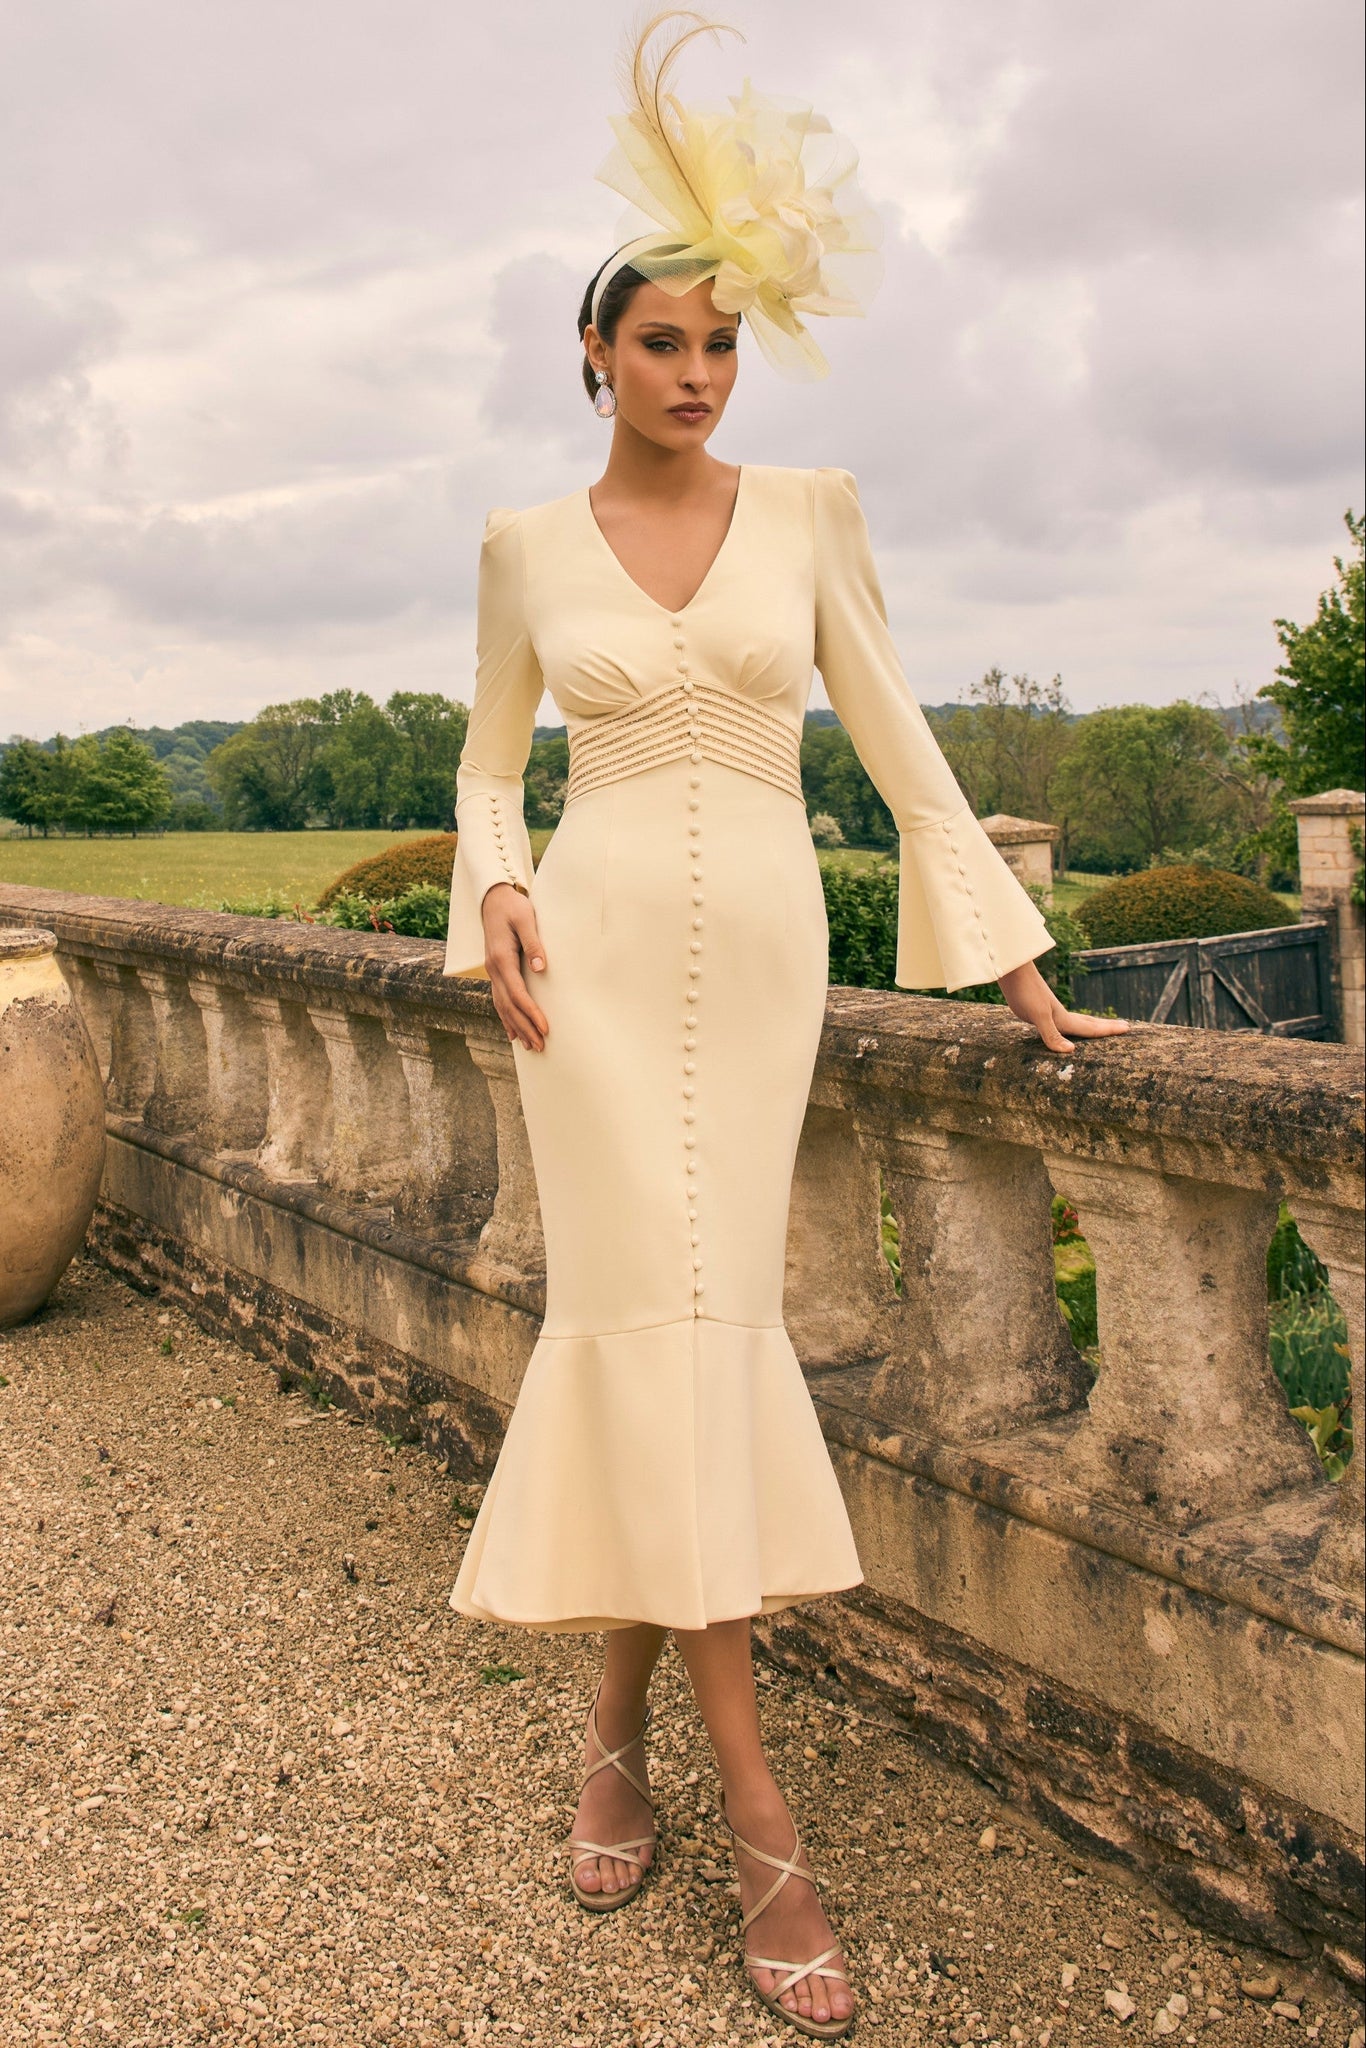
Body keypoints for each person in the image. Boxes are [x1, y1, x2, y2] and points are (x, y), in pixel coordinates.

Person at [441, 15, 1127, 2038]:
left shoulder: (812, 509)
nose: (695, 375)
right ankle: (759, 1807)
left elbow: (904, 748)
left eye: (720, 346)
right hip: (574, 962)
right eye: (660, 343)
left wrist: (1009, 959)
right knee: (642, 1331)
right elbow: (490, 759)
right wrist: (490, 880)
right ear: (593, 357)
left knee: (703, 1333)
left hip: (756, 963)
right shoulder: (518, 548)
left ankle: (615, 1729)